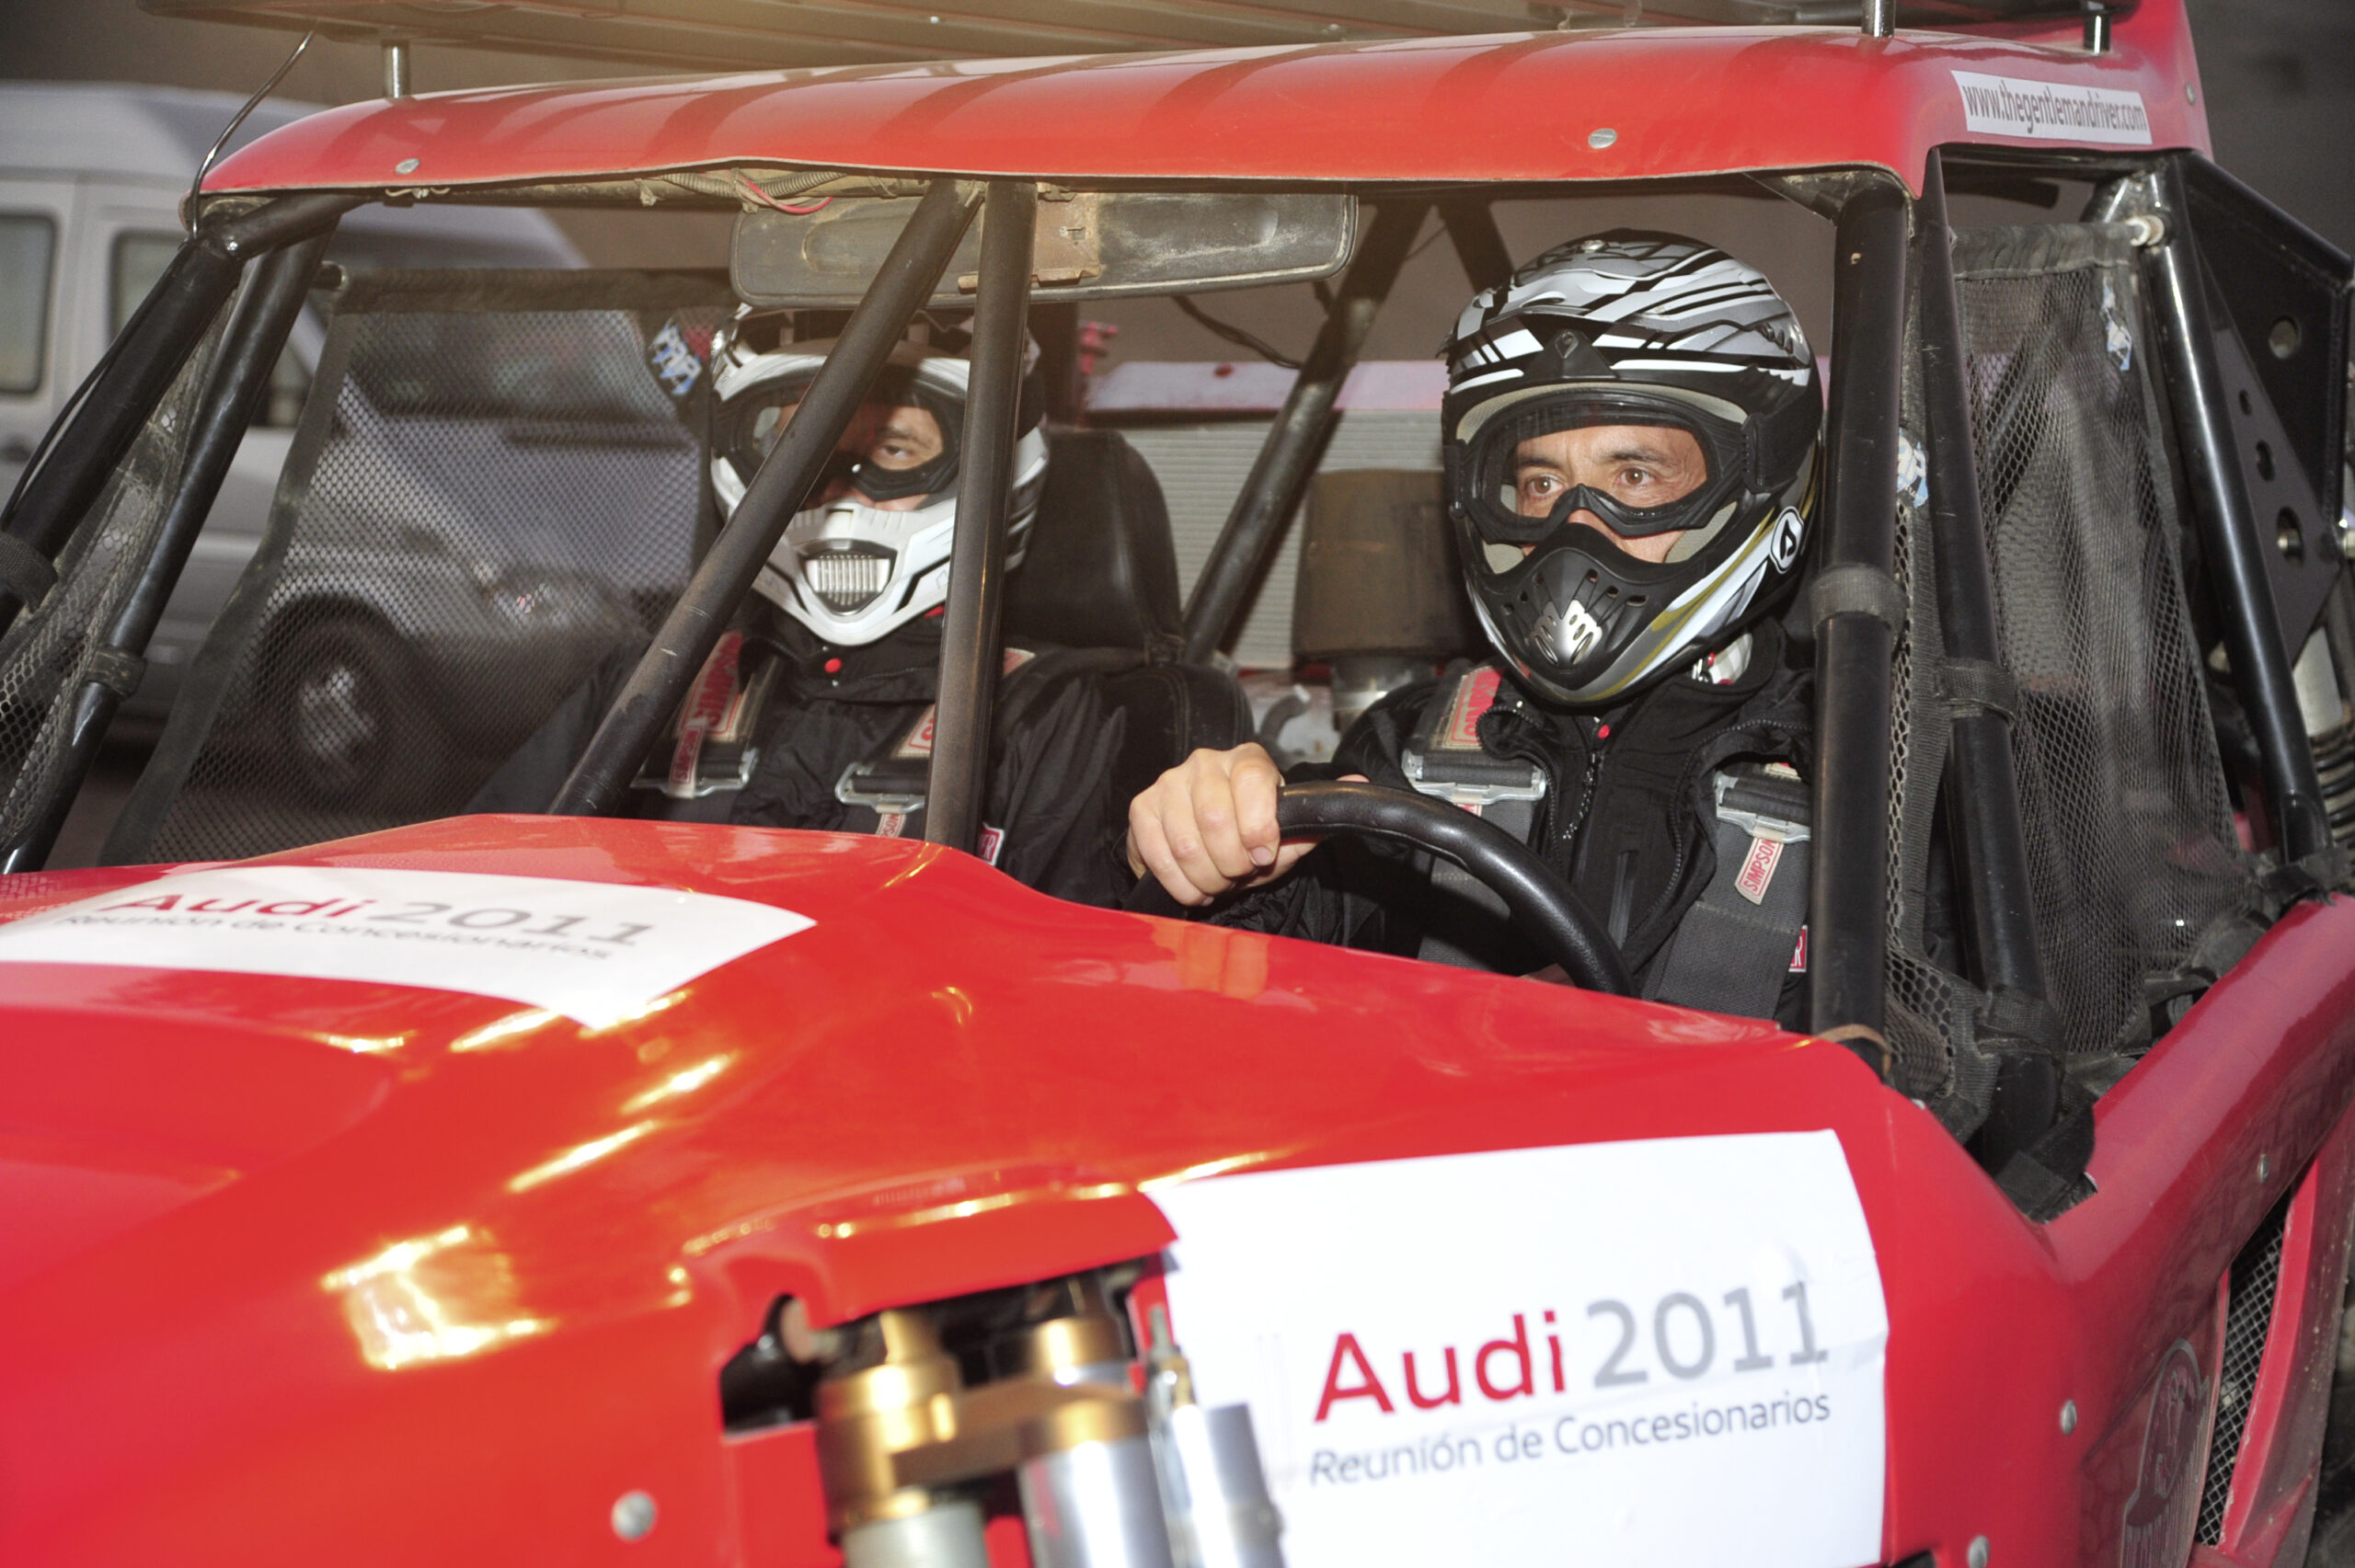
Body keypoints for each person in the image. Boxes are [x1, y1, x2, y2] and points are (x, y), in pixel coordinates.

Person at [1124, 233, 1821, 1024]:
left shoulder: (1853, 771)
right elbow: (1260, 998)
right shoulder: (1413, 748)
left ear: (1760, 478)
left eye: (1633, 476)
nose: (1574, 530)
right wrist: (1215, 847)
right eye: (1541, 482)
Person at [469, 311, 1135, 906]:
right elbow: (477, 886)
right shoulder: (656, 682)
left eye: (894, 449)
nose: (841, 491)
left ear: (991, 466)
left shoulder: (1049, 718)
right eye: (805, 451)